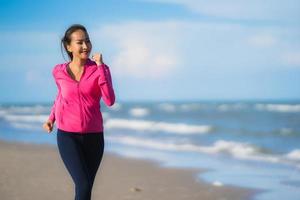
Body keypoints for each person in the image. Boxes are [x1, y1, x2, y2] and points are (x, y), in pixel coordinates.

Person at [42, 24, 115, 200]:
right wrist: (51, 118)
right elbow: (61, 96)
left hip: (94, 137)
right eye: (80, 42)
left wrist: (100, 67)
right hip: (68, 136)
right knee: (83, 184)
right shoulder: (59, 71)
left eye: (88, 41)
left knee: (85, 188)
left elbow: (109, 100)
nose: (85, 46)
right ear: (69, 47)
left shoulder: (100, 70)